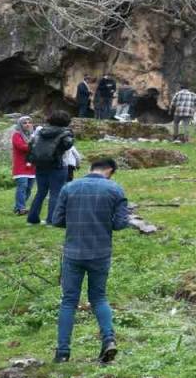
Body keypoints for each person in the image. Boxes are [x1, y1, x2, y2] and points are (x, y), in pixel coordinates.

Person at [50, 157, 129, 364]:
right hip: (100, 252)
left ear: (91, 168)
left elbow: (57, 220)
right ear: (110, 171)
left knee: (69, 301)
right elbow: (121, 224)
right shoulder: (115, 190)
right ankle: (108, 340)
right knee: (99, 298)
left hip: (73, 252)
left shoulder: (69, 188)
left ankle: (63, 353)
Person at [26, 111, 75, 226]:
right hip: (58, 166)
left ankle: (32, 219)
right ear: (66, 121)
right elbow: (68, 146)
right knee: (55, 193)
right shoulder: (65, 133)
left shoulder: (41, 130)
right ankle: (51, 220)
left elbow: (31, 143)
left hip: (40, 165)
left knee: (40, 192)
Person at [11, 116, 36, 215]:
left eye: (29, 122)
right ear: (20, 125)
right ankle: (21, 208)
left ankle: (18, 207)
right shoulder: (16, 135)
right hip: (21, 166)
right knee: (22, 187)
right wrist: (35, 146)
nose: (27, 124)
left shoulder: (33, 135)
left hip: (32, 167)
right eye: (25, 123)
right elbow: (21, 147)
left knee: (29, 189)